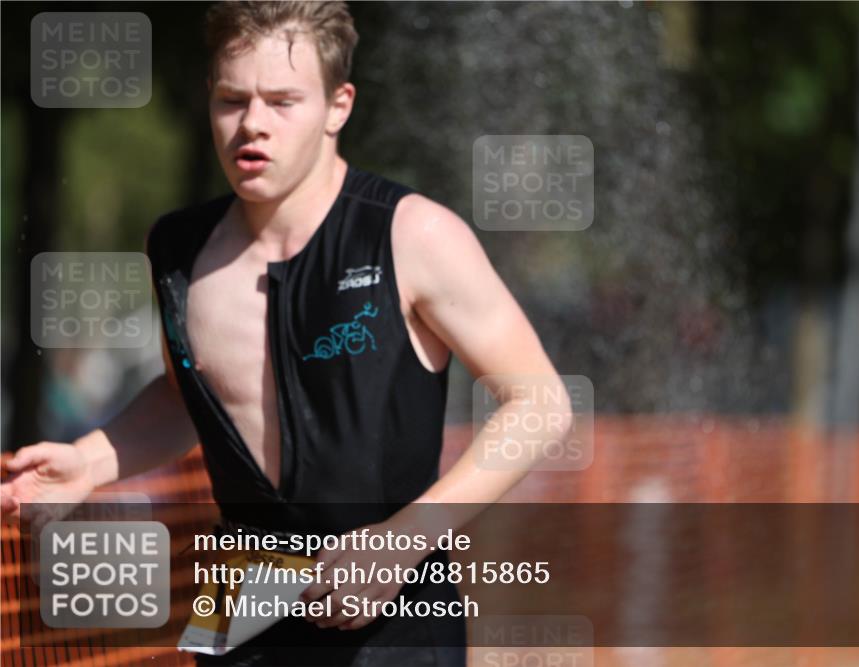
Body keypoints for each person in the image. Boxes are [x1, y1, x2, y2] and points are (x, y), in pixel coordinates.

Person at [1, 2, 572, 665]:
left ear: (338, 106)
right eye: (231, 99)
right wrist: (92, 460)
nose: (252, 125)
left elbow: (542, 404)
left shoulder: (414, 235)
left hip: (392, 612)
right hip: (237, 600)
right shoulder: (177, 247)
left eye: (282, 101)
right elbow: (196, 392)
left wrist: (404, 536)